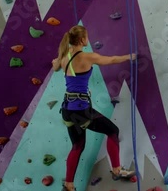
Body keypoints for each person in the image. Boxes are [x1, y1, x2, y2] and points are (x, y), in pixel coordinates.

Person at [52, 25, 137, 191]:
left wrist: (56, 62)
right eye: (87, 37)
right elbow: (111, 60)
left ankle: (68, 185)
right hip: (81, 110)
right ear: (83, 40)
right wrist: (129, 56)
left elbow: (55, 66)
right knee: (112, 131)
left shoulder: (64, 57)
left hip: (68, 111)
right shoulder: (87, 57)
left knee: (77, 146)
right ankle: (117, 170)